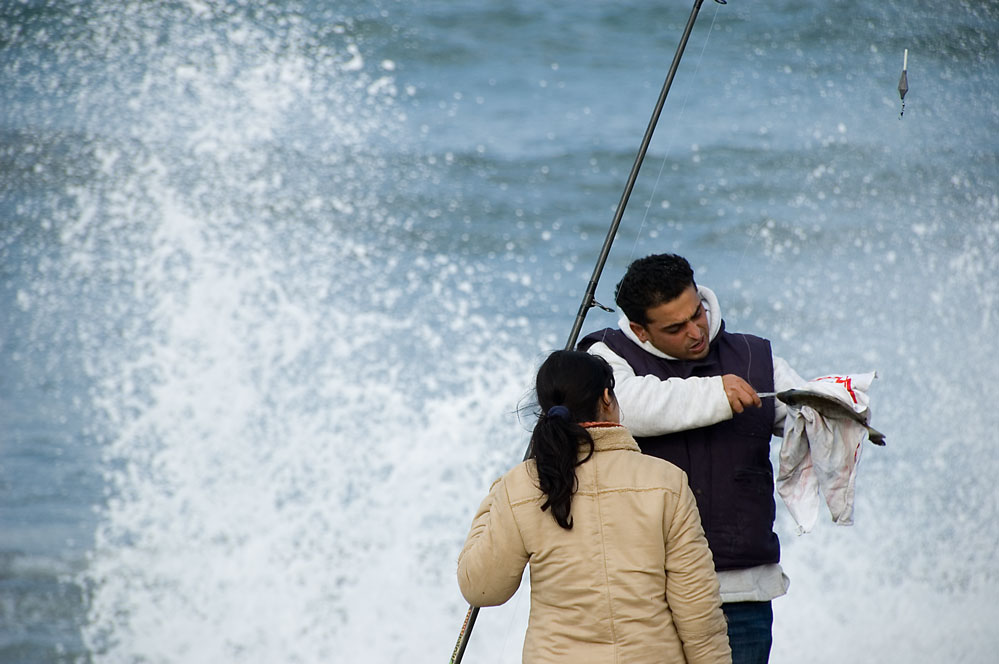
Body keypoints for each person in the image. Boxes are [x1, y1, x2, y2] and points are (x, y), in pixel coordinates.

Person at [578, 253, 805, 664]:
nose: (695, 331)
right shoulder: (603, 358)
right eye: (675, 327)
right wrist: (717, 393)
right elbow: (629, 406)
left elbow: (808, 419)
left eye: (696, 313)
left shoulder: (757, 358)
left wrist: (844, 408)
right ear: (639, 331)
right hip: (643, 593)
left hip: (740, 591)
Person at [457, 350, 731, 664]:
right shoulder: (666, 481)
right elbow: (697, 608)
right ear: (606, 397)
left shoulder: (522, 485)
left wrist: (498, 493)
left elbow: (481, 589)